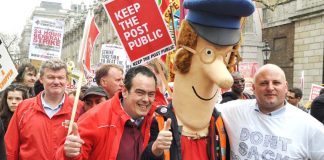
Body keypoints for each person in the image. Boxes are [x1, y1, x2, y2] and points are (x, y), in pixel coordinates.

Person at [142, 0, 255, 159]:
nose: (225, 79)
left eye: (226, 56)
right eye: (208, 53)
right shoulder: (160, 120)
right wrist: (155, 150)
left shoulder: (220, 122)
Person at [216, 64, 324, 159]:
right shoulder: (234, 110)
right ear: (254, 87)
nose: (270, 88)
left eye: (276, 83)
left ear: (286, 87)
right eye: (264, 83)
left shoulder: (309, 126)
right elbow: (203, 111)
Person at [56, 65, 157, 159]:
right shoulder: (95, 117)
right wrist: (69, 154)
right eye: (140, 93)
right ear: (125, 92)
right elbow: (68, 154)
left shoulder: (157, 119)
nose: (146, 99)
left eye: (151, 94)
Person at [5, 59, 83, 160]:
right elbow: (10, 148)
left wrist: (76, 154)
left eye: (60, 77)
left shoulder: (79, 109)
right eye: (51, 77)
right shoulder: (24, 108)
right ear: (41, 79)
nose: (56, 82)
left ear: (67, 79)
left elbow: (87, 150)